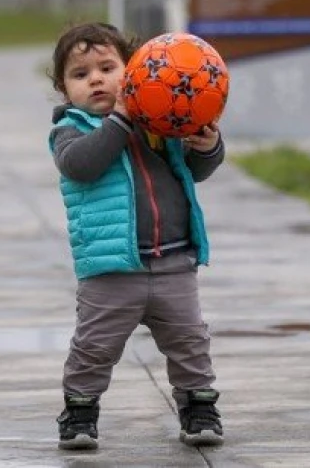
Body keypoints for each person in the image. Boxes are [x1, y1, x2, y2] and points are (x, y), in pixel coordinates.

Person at [46, 23, 226, 450]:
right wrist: (122, 119)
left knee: (189, 341)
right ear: (63, 88)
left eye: (107, 68)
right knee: (94, 347)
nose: (95, 79)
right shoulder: (71, 131)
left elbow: (194, 174)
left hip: (173, 262)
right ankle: (80, 411)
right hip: (111, 269)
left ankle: (198, 406)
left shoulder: (160, 122)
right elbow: (81, 166)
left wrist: (206, 144)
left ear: (133, 71)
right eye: (80, 73)